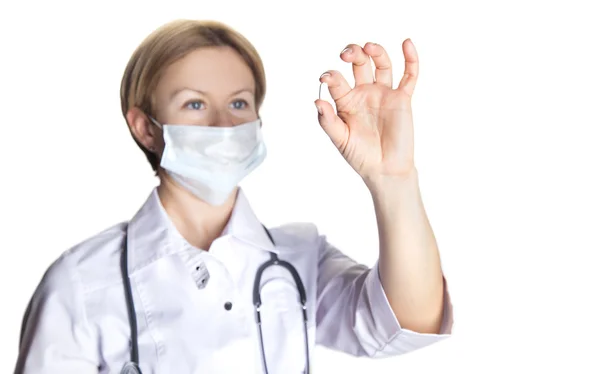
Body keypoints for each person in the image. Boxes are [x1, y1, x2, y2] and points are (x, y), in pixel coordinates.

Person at [14, 19, 454, 374]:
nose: (225, 124)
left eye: (240, 103)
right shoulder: (81, 282)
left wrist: (393, 178)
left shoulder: (299, 258)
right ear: (146, 128)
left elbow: (410, 321)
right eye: (195, 104)